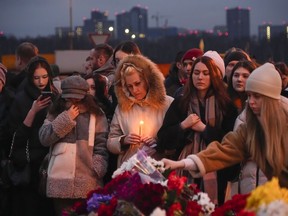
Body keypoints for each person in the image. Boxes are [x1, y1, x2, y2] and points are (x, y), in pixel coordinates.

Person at [162, 63, 288, 192]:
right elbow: (223, 151)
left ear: (270, 99)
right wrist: (181, 164)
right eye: (249, 95)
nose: (250, 102)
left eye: (257, 96)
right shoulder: (249, 129)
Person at [157, 56, 238, 205]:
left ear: (214, 76)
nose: (200, 77)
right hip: (182, 170)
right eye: (196, 72)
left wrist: (205, 129)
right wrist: (182, 126)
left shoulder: (225, 105)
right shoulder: (181, 102)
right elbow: (163, 139)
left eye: (206, 73)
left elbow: (229, 141)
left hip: (216, 169)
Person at [38, 75, 109, 216]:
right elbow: (44, 138)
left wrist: (97, 166)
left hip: (88, 179)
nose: (73, 101)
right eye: (69, 97)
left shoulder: (96, 113)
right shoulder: (56, 111)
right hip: (59, 180)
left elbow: (102, 142)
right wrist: (66, 118)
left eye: (76, 97)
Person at [7, 56, 58, 216]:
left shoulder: (55, 98)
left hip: (52, 162)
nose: (41, 82)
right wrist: (33, 111)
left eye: (44, 77)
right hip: (30, 164)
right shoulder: (20, 99)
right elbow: (16, 137)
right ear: (30, 78)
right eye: (36, 78)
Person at [107, 55, 174, 168]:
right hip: (129, 170)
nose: (134, 90)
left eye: (137, 84)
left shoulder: (167, 104)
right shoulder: (123, 107)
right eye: (130, 86)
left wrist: (158, 144)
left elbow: (175, 140)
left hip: (159, 169)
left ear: (147, 80)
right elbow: (110, 141)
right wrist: (123, 140)